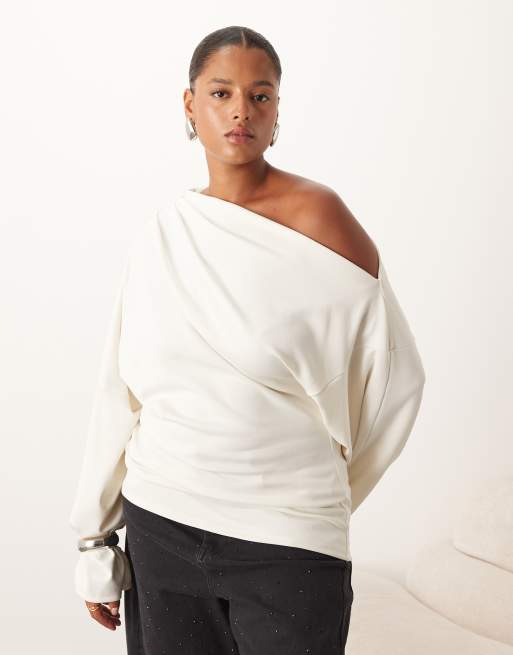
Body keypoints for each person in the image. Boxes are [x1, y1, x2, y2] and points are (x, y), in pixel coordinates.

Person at [69, 25, 426, 654]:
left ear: (277, 109)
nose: (241, 111)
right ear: (190, 105)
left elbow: (397, 379)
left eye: (260, 96)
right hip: (161, 526)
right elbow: (119, 392)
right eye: (221, 93)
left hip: (287, 542)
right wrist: (94, 539)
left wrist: (319, 497)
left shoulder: (321, 219)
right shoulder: (164, 233)